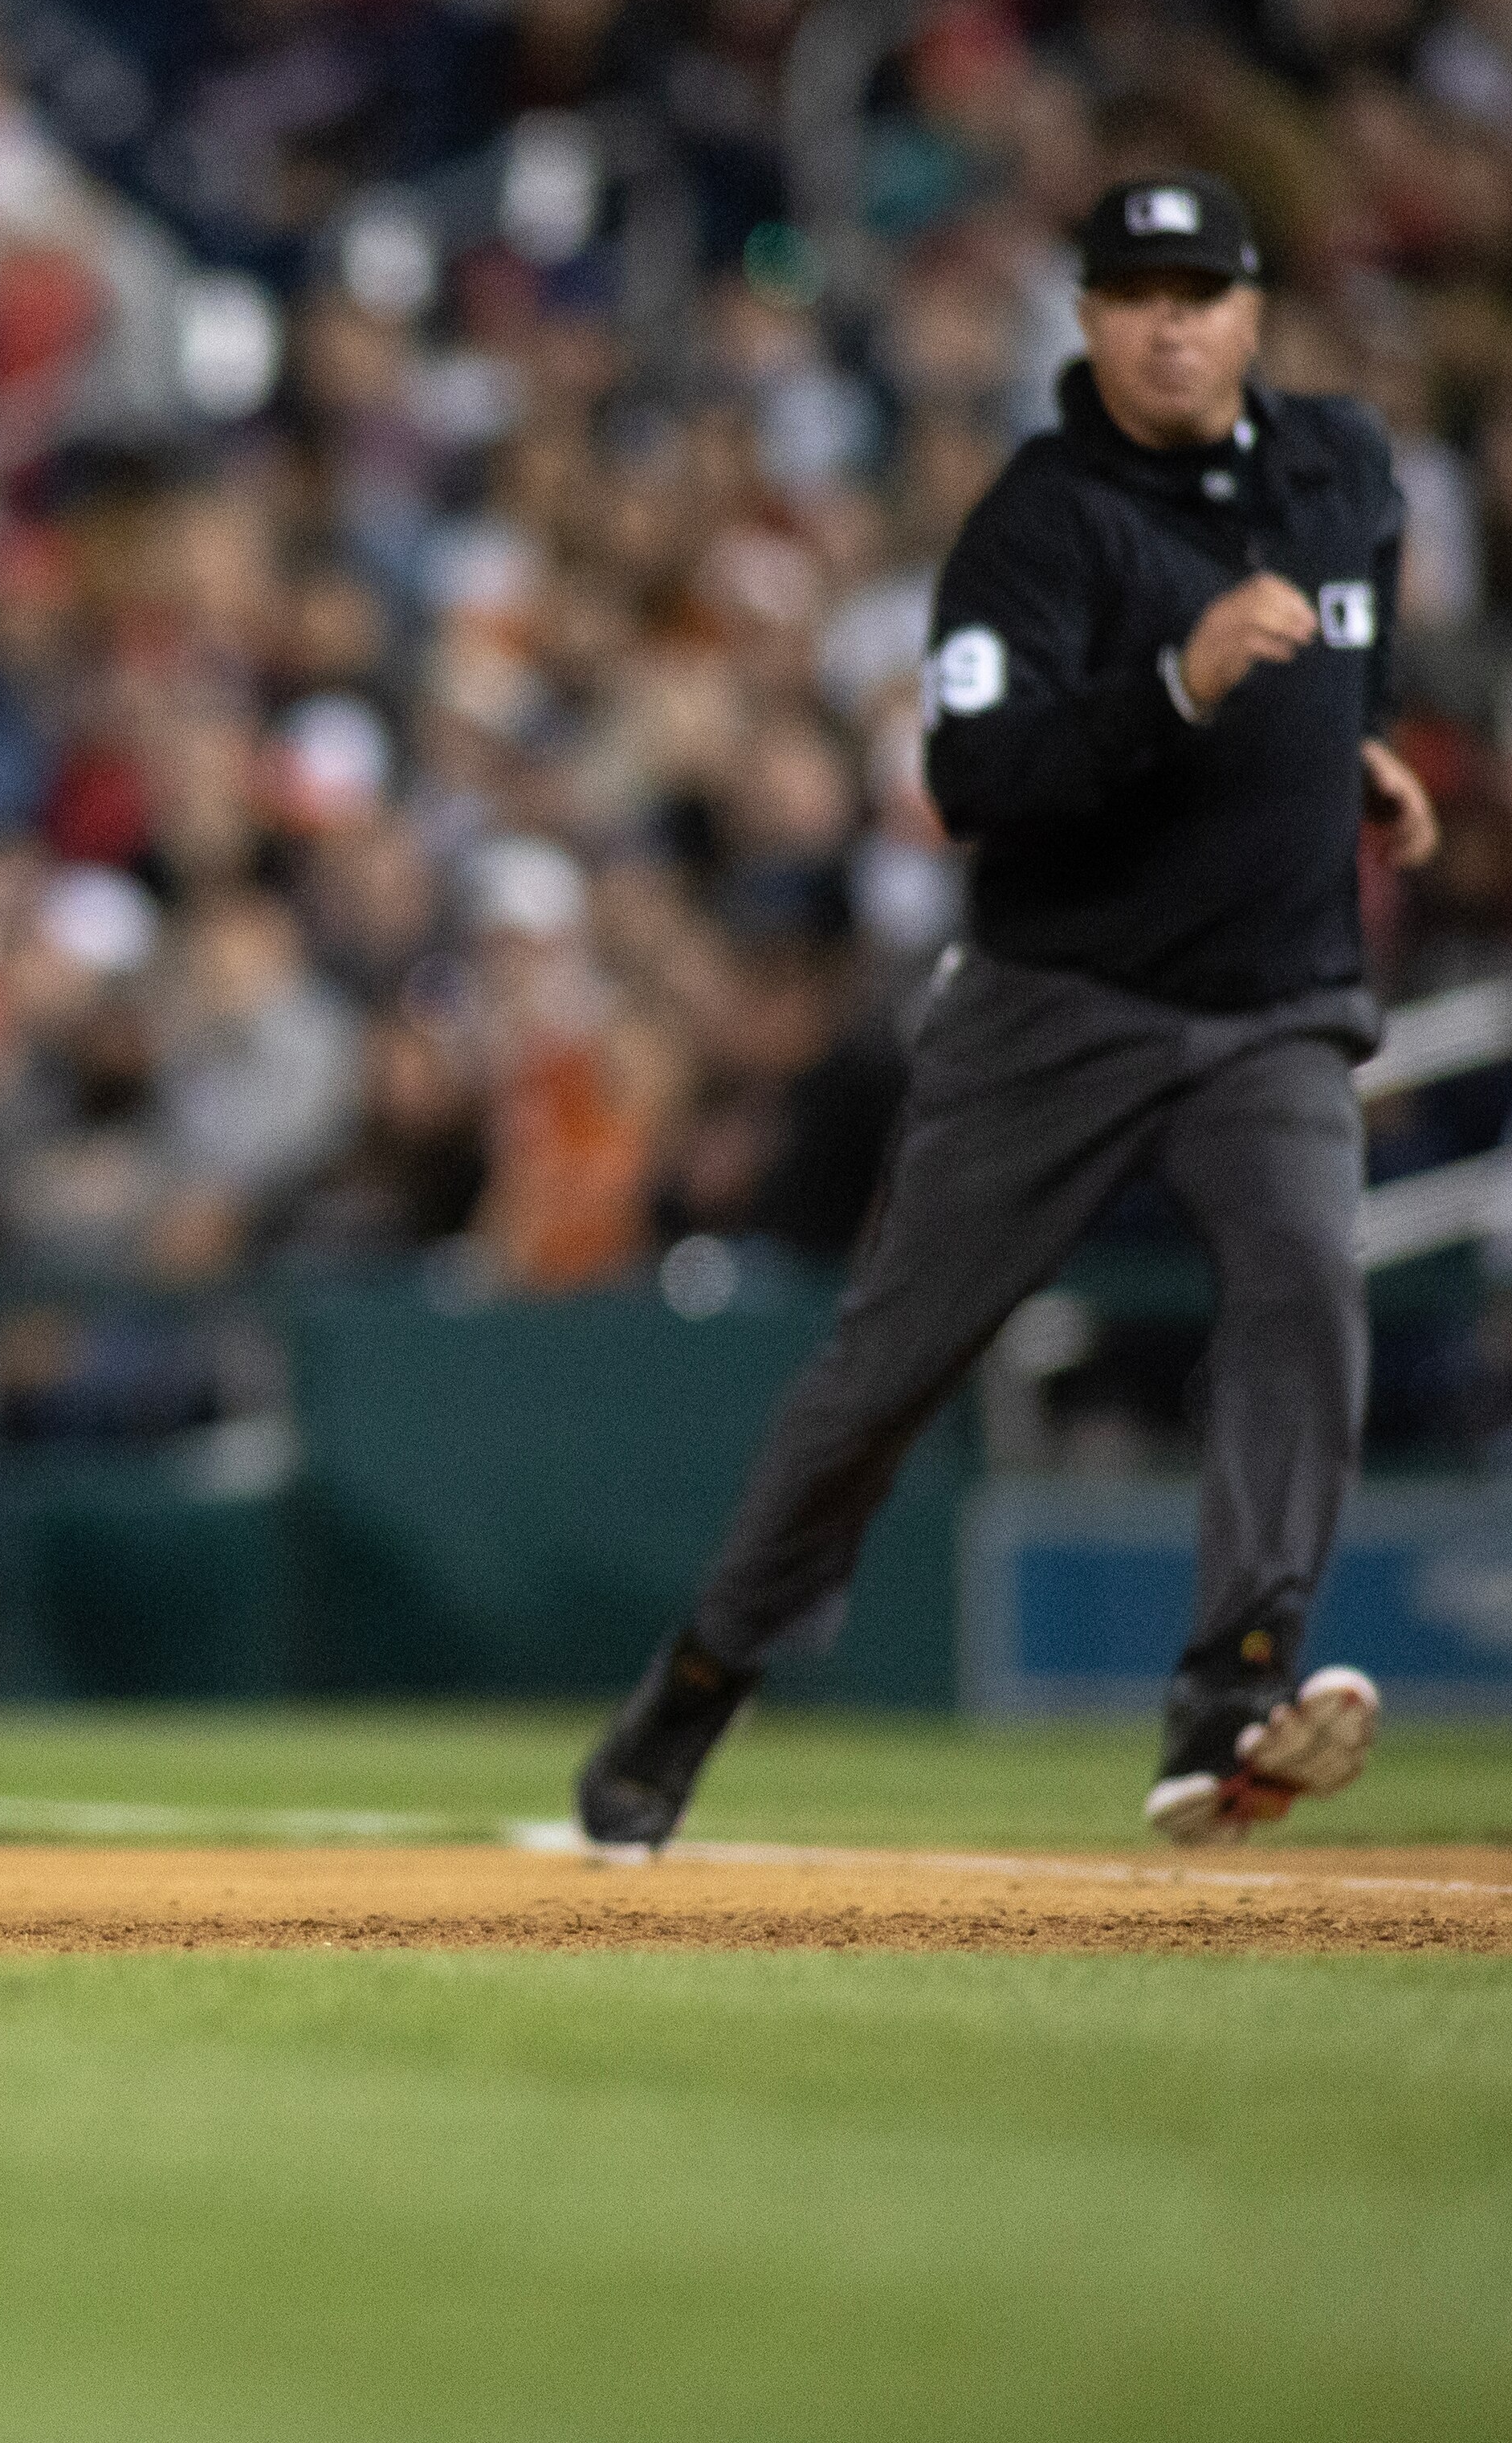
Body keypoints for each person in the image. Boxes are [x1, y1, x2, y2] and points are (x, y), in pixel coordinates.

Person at [577, 174, 1432, 1856]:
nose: (1170, 320)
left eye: (1200, 289)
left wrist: (1358, 741)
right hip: (1063, 1006)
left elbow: (1351, 630)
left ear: (1253, 313)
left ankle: (1231, 1693)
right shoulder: (1039, 522)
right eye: (1135, 291)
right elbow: (973, 774)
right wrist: (1174, 681)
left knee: (1303, 1275)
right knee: (882, 1376)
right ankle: (698, 1674)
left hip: (1271, 1005)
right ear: (1089, 319)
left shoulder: (1342, 468)